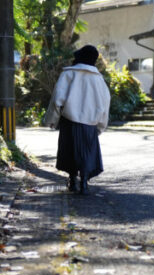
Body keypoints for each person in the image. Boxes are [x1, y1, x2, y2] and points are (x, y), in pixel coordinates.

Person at [44, 45, 111, 194]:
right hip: (90, 124)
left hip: (70, 121)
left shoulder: (68, 74)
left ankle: (73, 180)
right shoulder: (98, 79)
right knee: (87, 153)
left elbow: (57, 99)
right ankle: (85, 183)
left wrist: (52, 119)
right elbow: (105, 103)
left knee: (70, 152)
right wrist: (101, 125)